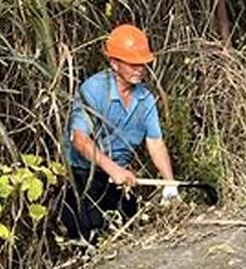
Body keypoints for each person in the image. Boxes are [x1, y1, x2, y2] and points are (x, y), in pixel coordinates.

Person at [61, 24, 178, 242]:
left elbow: (155, 143)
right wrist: (112, 168)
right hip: (83, 175)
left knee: (130, 227)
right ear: (114, 63)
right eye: (133, 64)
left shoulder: (146, 99)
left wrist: (169, 183)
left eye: (142, 63)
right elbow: (79, 139)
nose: (140, 69)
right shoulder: (93, 90)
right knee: (88, 234)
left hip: (119, 176)